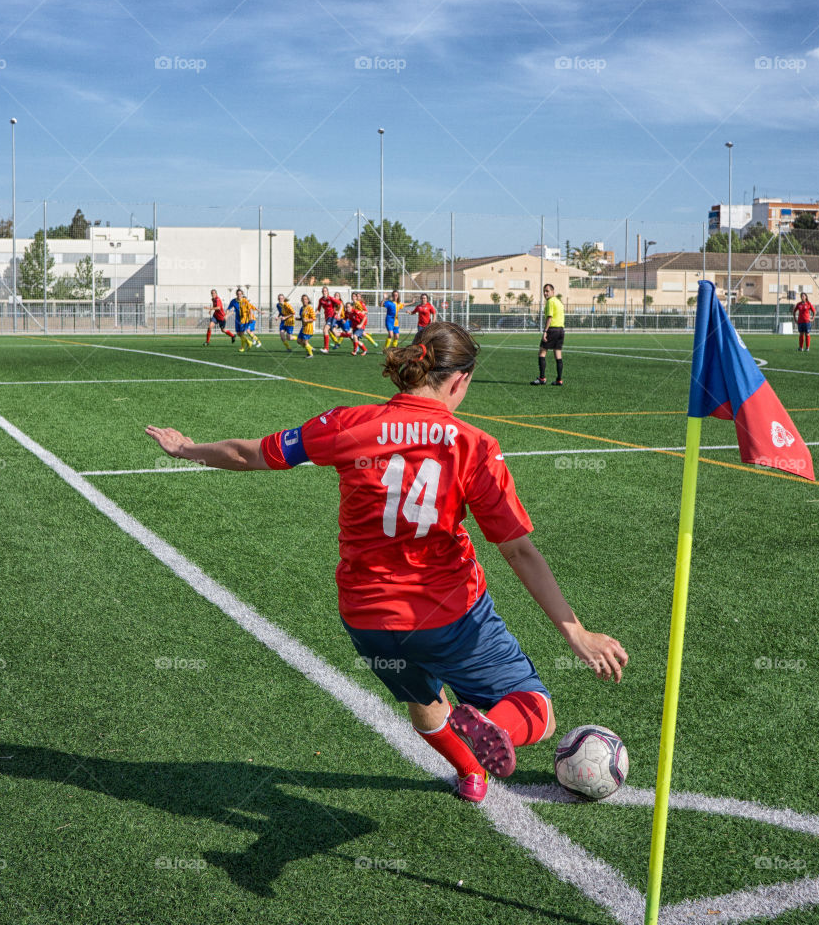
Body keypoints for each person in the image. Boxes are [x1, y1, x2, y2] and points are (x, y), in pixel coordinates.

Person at [145, 322, 628, 804]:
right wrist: (577, 633)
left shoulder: (347, 422)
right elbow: (518, 550)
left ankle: (470, 772)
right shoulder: (474, 445)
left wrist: (184, 448)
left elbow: (246, 454)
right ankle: (488, 726)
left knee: (424, 703)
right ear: (459, 380)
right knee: (536, 709)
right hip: (449, 614)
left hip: (367, 619)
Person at [531, 283, 564, 386]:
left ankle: (542, 378)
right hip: (561, 330)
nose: (545, 293)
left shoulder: (550, 302)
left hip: (552, 330)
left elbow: (549, 317)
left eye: (547, 291)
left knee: (542, 353)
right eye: (544, 291)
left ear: (553, 292)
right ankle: (559, 380)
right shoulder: (559, 302)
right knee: (558, 355)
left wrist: (545, 331)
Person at [317, 286, 339, 354]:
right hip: (327, 317)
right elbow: (318, 309)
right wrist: (314, 314)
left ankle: (326, 348)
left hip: (332, 316)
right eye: (323, 291)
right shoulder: (321, 300)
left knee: (325, 329)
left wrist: (338, 312)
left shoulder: (331, 298)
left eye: (325, 291)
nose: (324, 292)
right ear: (322, 292)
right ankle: (349, 335)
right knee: (334, 332)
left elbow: (339, 303)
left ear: (328, 292)